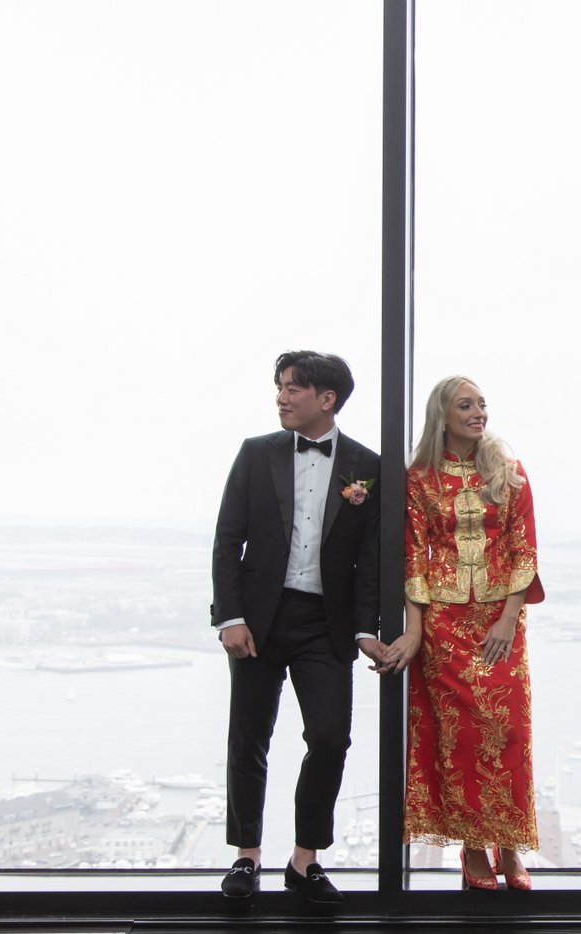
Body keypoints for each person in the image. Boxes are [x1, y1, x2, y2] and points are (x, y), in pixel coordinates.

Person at [211, 350, 392, 902]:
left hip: (326, 625)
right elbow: (228, 538)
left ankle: (303, 859)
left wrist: (366, 629)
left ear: (326, 398)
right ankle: (247, 857)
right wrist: (231, 618)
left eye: (292, 388)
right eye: (280, 387)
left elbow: (369, 560)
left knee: (332, 738)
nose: (281, 397)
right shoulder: (255, 453)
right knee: (249, 738)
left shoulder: (368, 466)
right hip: (258, 621)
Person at [386, 375, 544, 892]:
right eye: (466, 405)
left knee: (510, 734)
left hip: (501, 624)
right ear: (444, 415)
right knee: (465, 738)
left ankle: (512, 845)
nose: (479, 413)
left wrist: (506, 618)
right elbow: (413, 556)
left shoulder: (508, 471)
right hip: (446, 628)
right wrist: (415, 631)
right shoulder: (420, 479)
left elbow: (525, 552)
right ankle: (475, 849)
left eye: (482, 404)